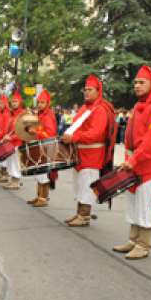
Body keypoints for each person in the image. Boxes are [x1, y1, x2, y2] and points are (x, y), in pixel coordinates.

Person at [113, 66, 151, 260]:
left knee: (144, 204)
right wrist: (129, 160)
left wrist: (134, 159)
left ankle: (144, 244)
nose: (137, 86)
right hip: (133, 163)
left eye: (142, 82)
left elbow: (150, 141)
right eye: (136, 82)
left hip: (147, 166)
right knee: (133, 202)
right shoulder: (139, 107)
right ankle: (133, 240)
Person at [61, 75, 116, 227]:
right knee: (79, 184)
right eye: (85, 89)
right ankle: (79, 213)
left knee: (87, 184)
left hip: (92, 155)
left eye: (90, 90)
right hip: (79, 153)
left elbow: (96, 133)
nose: (86, 92)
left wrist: (74, 137)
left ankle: (84, 216)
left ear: (98, 91)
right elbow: (75, 127)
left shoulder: (100, 110)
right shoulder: (85, 108)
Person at [27, 89, 57, 207]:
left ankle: (43, 198)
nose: (39, 104)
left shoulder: (48, 116)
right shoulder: (40, 115)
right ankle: (39, 196)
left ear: (47, 103)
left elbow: (50, 134)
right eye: (38, 102)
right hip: (40, 147)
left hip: (46, 147)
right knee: (39, 173)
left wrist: (35, 131)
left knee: (43, 174)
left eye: (42, 102)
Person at [2, 90, 26, 190]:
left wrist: (10, 137)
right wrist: (6, 136)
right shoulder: (13, 114)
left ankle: (16, 182)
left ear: (20, 102)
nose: (14, 103)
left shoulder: (23, 114)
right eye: (12, 101)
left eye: (16, 101)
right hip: (11, 142)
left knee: (15, 162)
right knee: (11, 162)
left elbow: (23, 131)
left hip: (17, 142)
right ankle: (12, 180)